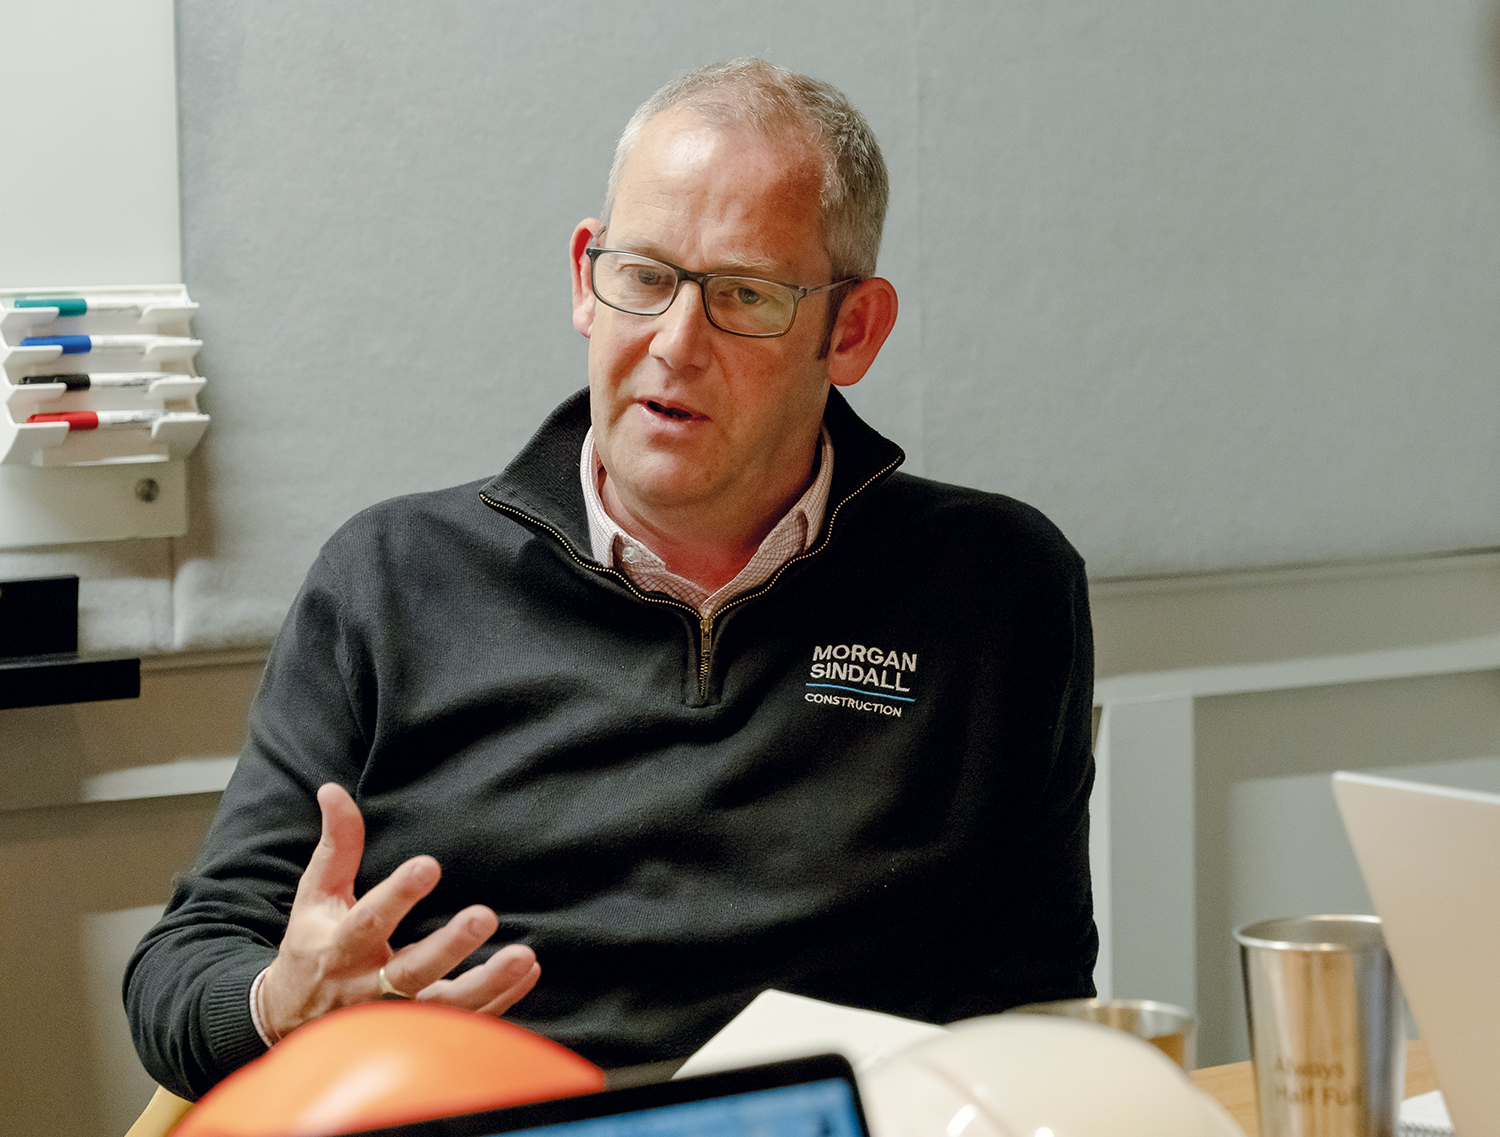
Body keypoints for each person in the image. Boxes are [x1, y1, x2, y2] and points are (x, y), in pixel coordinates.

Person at [126, 58, 1098, 1100]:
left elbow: (1033, 998)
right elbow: (183, 966)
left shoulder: (998, 584)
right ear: (585, 277)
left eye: (746, 295)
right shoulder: (391, 579)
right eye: (644, 277)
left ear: (851, 329)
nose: (676, 344)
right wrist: (279, 1004)